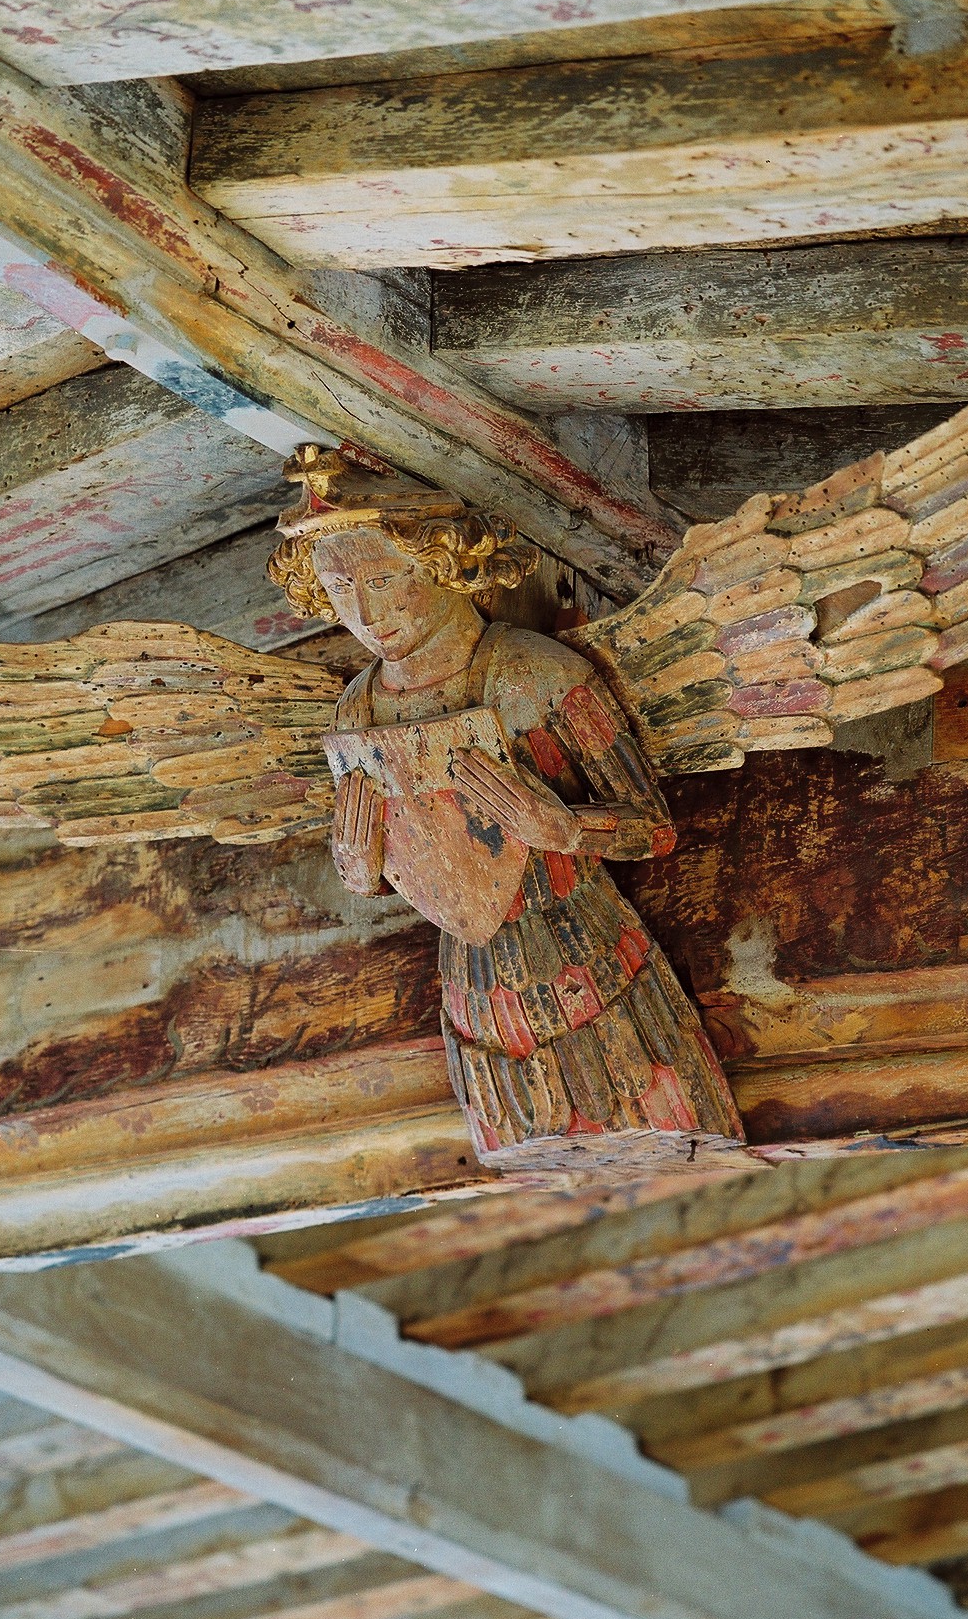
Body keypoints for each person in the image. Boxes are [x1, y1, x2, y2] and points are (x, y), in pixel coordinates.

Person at [267, 446, 744, 1171]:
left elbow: (652, 824)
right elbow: (395, 866)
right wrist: (357, 862)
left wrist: (564, 827)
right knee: (526, 1147)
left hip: (581, 949)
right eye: (338, 590)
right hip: (473, 977)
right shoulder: (356, 708)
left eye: (384, 578)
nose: (365, 614)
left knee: (653, 1125)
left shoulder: (535, 673)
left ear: (442, 562)